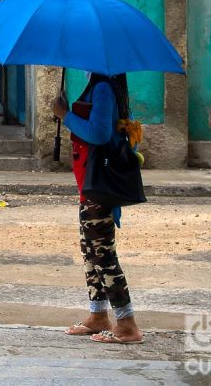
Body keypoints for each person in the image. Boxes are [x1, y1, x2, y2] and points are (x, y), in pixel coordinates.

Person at [52, 72, 144, 345]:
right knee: (90, 251)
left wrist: (65, 115)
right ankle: (98, 315)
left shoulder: (103, 88)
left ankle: (127, 324)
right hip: (89, 184)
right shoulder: (98, 86)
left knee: (102, 254)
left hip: (99, 185)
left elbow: (100, 133)